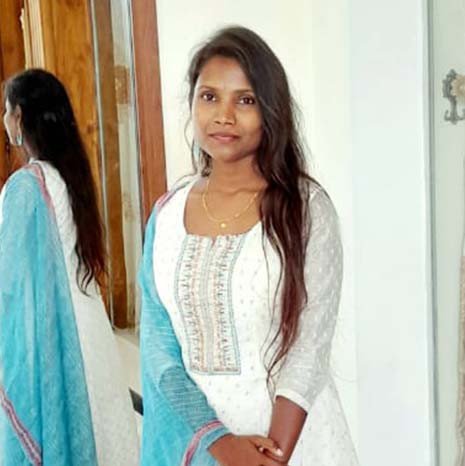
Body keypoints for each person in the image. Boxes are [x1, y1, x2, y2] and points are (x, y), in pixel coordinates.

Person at [139, 26, 358, 466]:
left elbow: (308, 349)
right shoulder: (166, 216)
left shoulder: (305, 210)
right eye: (209, 96)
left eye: (245, 100)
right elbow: (160, 349)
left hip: (290, 442)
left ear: (270, 110)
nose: (224, 115)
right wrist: (219, 442)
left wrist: (272, 456)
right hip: (198, 442)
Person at [0, 69, 139, 466]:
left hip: (53, 332)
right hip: (89, 329)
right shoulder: (69, 176)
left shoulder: (27, 185)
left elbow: (12, 281)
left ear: (20, 116)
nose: (4, 119)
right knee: (97, 429)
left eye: (6, 110)